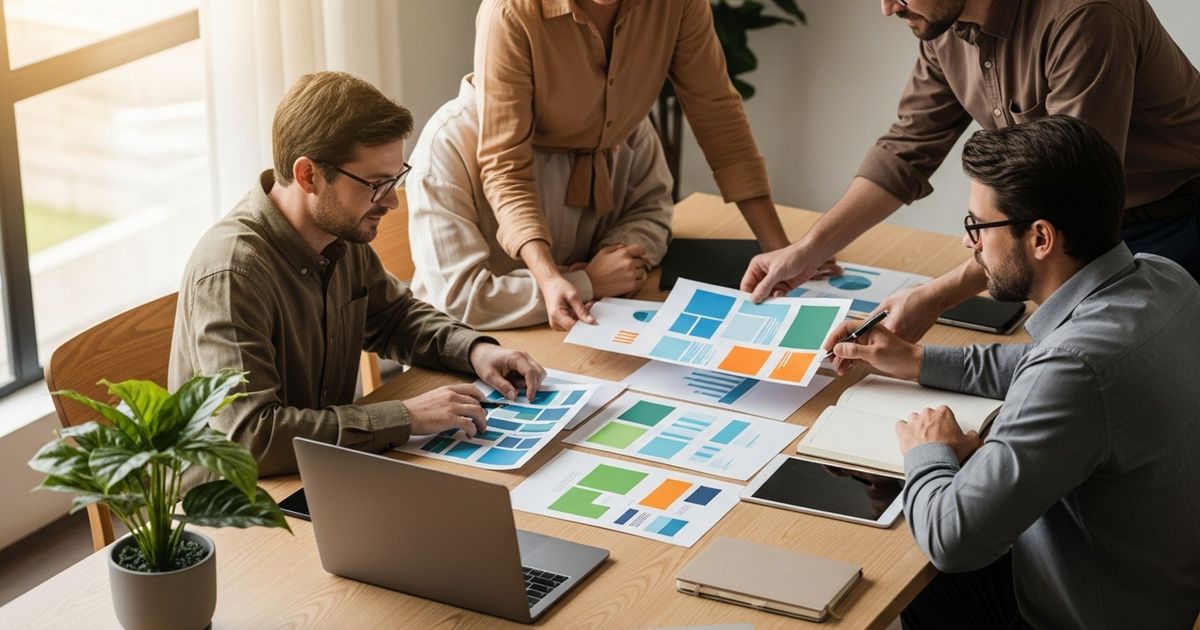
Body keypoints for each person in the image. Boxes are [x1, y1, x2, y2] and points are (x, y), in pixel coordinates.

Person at [826, 116, 1200, 628]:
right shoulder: (1165, 279)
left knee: (899, 558)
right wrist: (916, 361)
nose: (969, 243)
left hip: (1082, 614)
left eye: (978, 225)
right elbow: (1043, 363)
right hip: (1156, 591)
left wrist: (927, 451)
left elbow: (953, 542)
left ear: (1041, 237)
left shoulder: (1075, 369)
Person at [744, 0, 1200, 343]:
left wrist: (936, 295)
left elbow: (1068, 202)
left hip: (1174, 228)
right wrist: (806, 251)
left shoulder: (1085, 16)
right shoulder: (941, 25)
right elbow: (906, 150)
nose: (887, 8)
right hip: (1056, 240)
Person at [169, 71, 545, 477]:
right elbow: (250, 436)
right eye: (377, 184)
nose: (391, 203)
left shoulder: (338, 233)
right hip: (242, 505)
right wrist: (403, 416)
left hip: (324, 470)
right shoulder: (232, 274)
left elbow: (395, 318)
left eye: (394, 180)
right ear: (308, 175)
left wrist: (475, 351)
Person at [474, 0, 835, 330]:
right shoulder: (510, 12)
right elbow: (505, 166)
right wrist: (548, 276)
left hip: (608, 198)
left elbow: (718, 115)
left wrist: (779, 249)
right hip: (517, 214)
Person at [407, 75, 672, 330]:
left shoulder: (620, 117)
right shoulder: (448, 142)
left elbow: (651, 206)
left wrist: (617, 258)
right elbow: (460, 298)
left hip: (588, 325)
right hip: (471, 344)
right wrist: (586, 282)